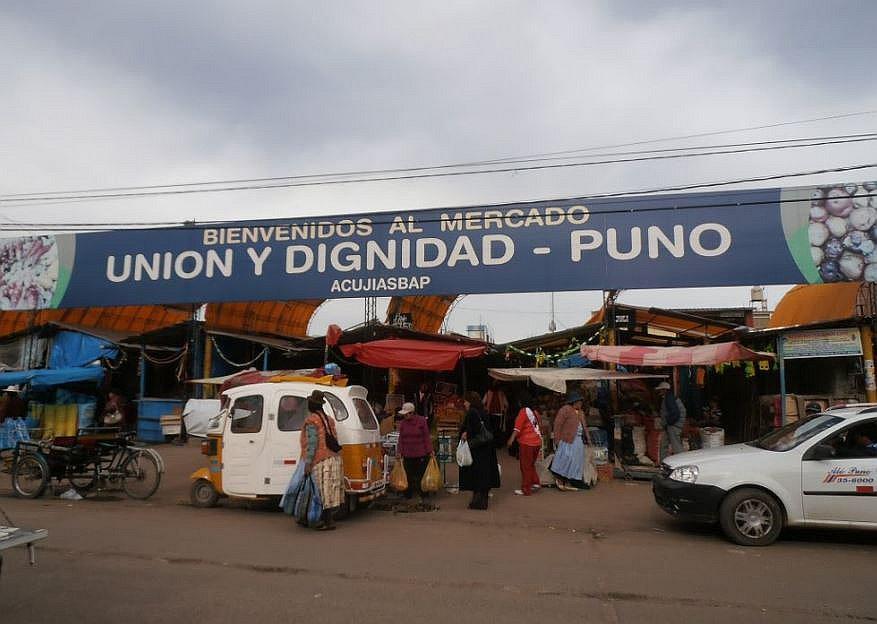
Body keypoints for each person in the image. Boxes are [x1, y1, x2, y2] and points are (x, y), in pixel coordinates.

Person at [301, 390, 344, 530]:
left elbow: (312, 443)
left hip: (320, 460)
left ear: (311, 405)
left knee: (319, 492)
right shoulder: (329, 419)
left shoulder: (311, 420)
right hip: (333, 458)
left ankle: (319, 520)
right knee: (329, 491)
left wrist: (308, 463)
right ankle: (329, 520)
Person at [459, 390, 500, 510]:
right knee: (484, 476)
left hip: (477, 449)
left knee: (476, 476)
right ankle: (482, 501)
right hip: (486, 448)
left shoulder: (472, 413)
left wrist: (465, 434)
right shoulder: (483, 412)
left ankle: (477, 502)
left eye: (465, 401)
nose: (464, 404)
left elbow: (473, 430)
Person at [551, 391, 588, 491]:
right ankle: (562, 477)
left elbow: (584, 426)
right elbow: (557, 425)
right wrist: (557, 439)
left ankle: (575, 478)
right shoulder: (565, 410)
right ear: (574, 402)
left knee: (577, 461)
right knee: (566, 459)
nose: (581, 403)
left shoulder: (580, 412)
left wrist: (588, 438)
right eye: (579, 401)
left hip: (578, 440)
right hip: (567, 439)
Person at [396, 402, 434, 499]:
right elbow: (401, 439)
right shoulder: (403, 424)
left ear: (412, 413)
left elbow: (426, 437)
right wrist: (399, 451)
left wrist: (430, 450)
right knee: (408, 475)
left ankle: (424, 494)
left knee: (421, 475)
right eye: (404, 414)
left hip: (420, 453)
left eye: (406, 414)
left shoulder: (421, 421)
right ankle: (407, 495)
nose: (405, 416)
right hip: (407, 454)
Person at [506, 394, 542, 496]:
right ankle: (535, 482)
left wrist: (511, 439)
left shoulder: (523, 412)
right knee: (530, 464)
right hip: (537, 442)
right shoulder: (535, 412)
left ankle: (526, 488)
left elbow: (517, 428)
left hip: (527, 442)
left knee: (525, 465)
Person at [657, 381, 687, 461]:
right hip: (670, 425)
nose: (659, 392)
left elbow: (675, 413)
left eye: (661, 390)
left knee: (676, 445)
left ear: (664, 390)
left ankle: (682, 463)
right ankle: (663, 462)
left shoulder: (669, 398)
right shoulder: (669, 397)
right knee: (663, 444)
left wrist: (668, 423)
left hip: (673, 425)